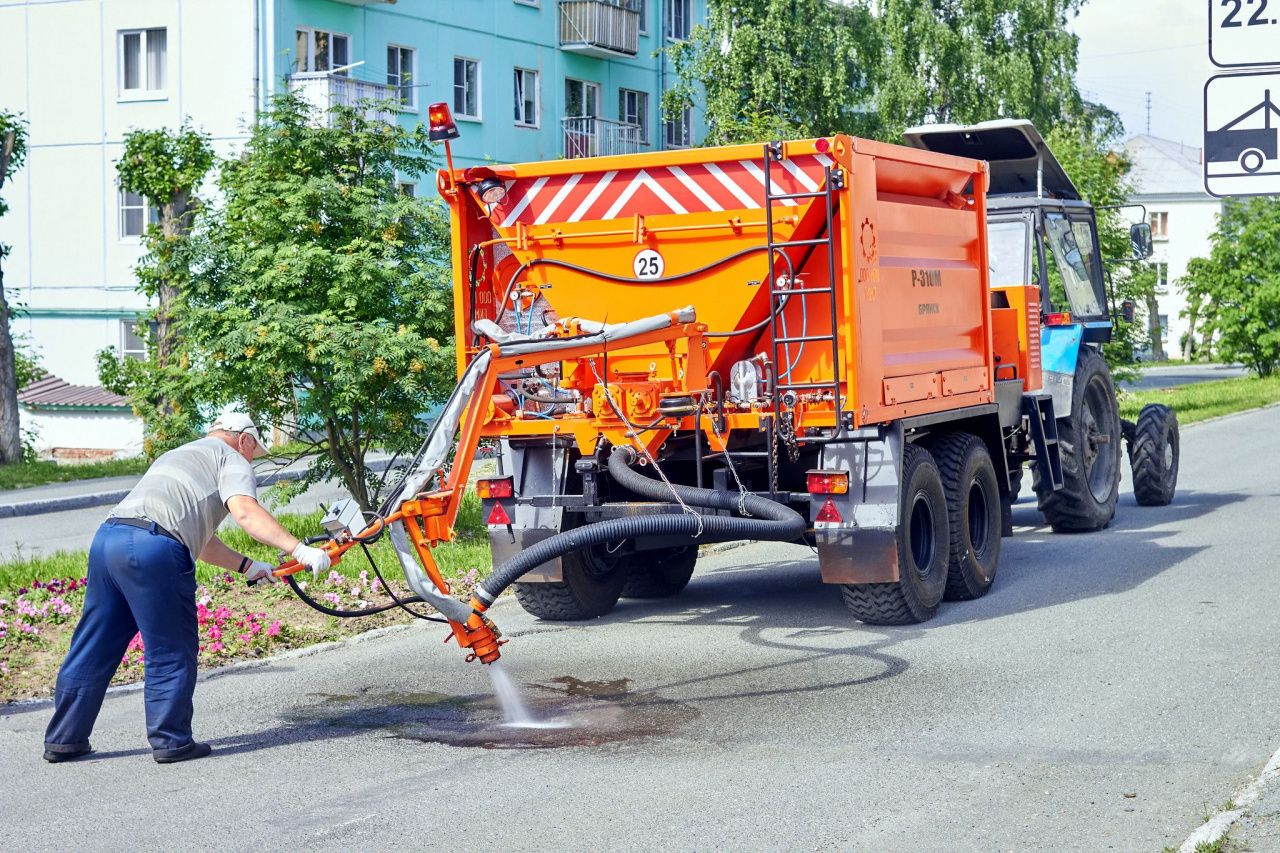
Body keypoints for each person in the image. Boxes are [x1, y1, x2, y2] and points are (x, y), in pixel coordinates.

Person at [42, 413, 332, 764]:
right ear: (244, 440)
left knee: (95, 643)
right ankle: (171, 741)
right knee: (171, 646)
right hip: (153, 549)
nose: (253, 457)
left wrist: (247, 566)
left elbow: (199, 536)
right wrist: (299, 549)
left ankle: (64, 739)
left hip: (109, 539)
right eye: (254, 449)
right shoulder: (232, 458)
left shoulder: (183, 454)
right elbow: (246, 512)